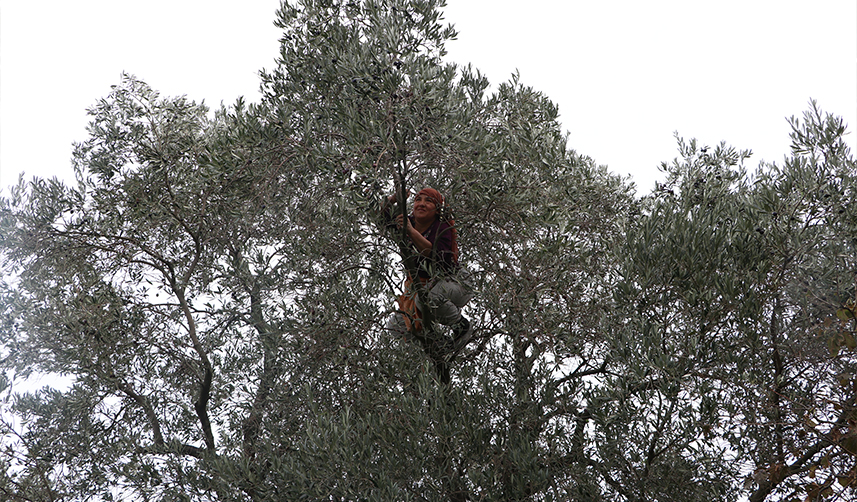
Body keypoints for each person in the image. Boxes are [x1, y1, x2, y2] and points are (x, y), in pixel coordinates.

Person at [384, 187, 473, 353]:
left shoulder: (443, 228)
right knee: (396, 326)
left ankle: (462, 327)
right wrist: (395, 198)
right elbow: (379, 214)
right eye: (418, 200)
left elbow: (434, 257)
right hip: (425, 287)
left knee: (425, 298)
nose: (421, 204)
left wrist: (410, 231)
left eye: (428, 201)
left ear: (438, 209)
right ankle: (438, 342)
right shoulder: (406, 222)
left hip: (457, 284)